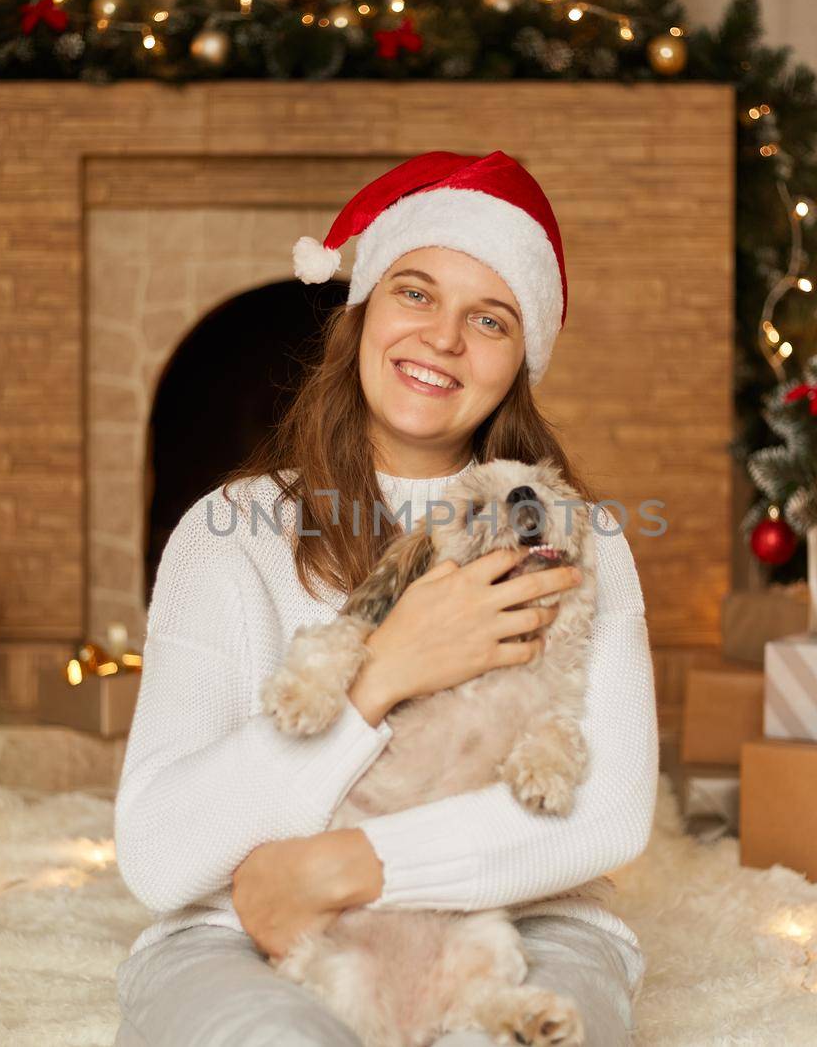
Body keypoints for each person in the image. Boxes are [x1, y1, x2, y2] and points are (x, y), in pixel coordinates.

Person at [112, 150, 660, 1046]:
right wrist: (383, 671)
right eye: (414, 293)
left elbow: (603, 810)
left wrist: (344, 866)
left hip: (521, 922)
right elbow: (164, 853)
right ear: (360, 315)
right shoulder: (231, 533)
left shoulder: (571, 538)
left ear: (520, 360)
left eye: (489, 317)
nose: (443, 338)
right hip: (244, 935)